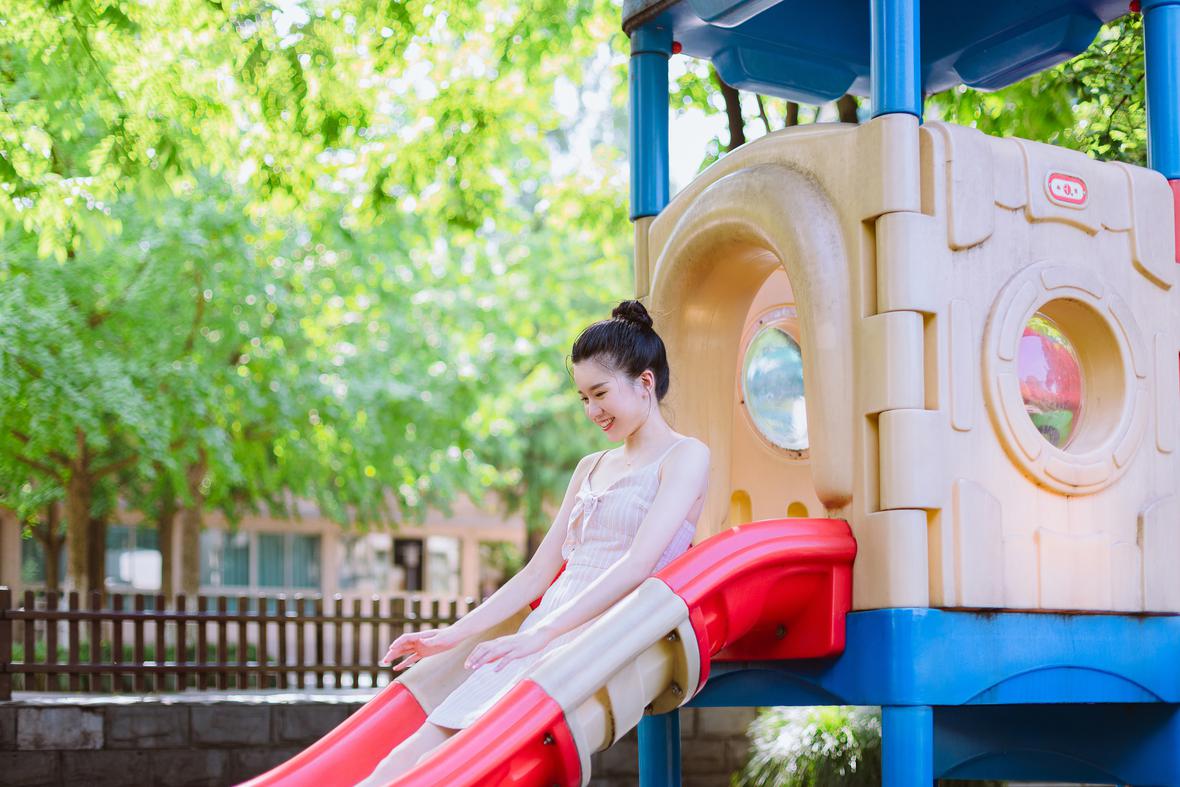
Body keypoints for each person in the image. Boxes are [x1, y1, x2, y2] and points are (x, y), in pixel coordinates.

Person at [354, 300, 711, 785]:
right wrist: (450, 635)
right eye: (583, 398)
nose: (592, 411)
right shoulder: (591, 466)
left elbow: (637, 564)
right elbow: (539, 573)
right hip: (544, 629)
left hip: (602, 636)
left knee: (457, 764)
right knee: (409, 756)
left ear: (645, 382)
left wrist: (541, 637)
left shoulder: (685, 456)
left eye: (600, 393)